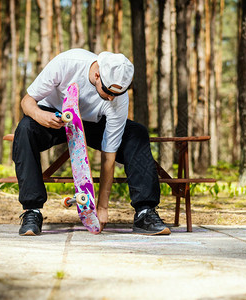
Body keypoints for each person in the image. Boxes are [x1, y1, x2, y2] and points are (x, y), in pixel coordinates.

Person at [13, 48, 170, 236]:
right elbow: (27, 101)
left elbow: (109, 156)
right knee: (25, 130)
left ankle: (145, 213)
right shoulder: (67, 63)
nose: (111, 97)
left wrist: (102, 206)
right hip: (55, 115)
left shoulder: (117, 98)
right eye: (107, 92)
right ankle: (32, 211)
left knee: (137, 134)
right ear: (97, 75)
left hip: (93, 123)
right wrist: (39, 115)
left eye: (117, 94)